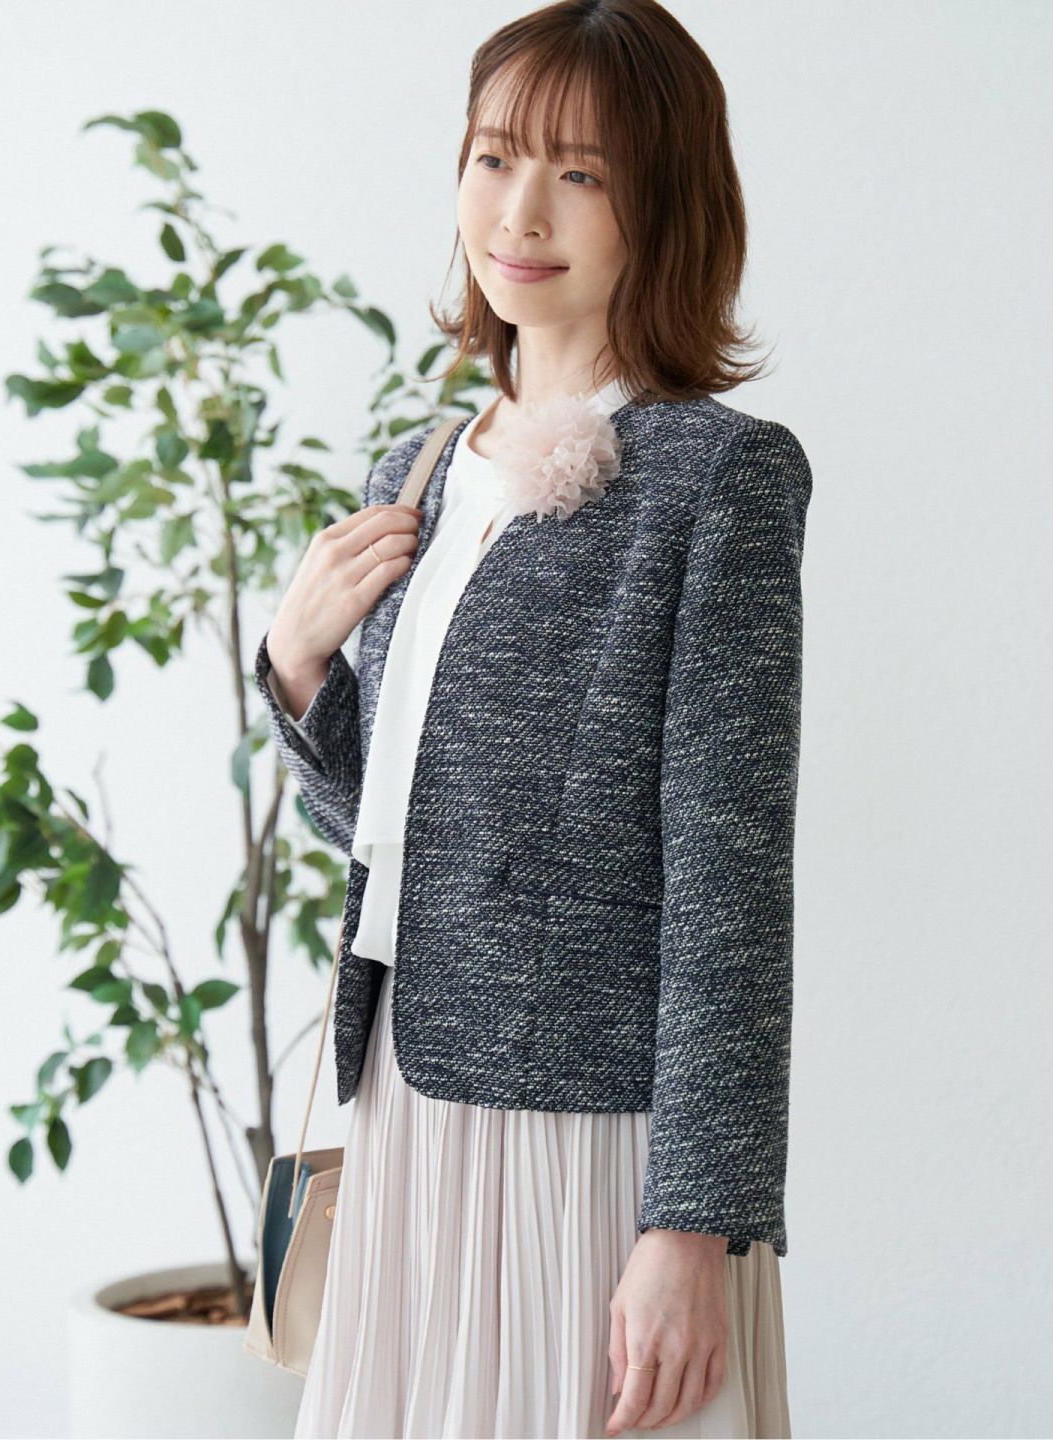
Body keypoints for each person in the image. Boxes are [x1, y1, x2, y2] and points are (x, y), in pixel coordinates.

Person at [254, 1, 812, 1435]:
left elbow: (731, 883)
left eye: (580, 172)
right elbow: (400, 833)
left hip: (590, 1136)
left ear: (663, 205)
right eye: (495, 157)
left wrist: (693, 1223)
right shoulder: (419, 467)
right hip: (406, 1097)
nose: (520, 211)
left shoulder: (718, 479)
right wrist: (301, 669)